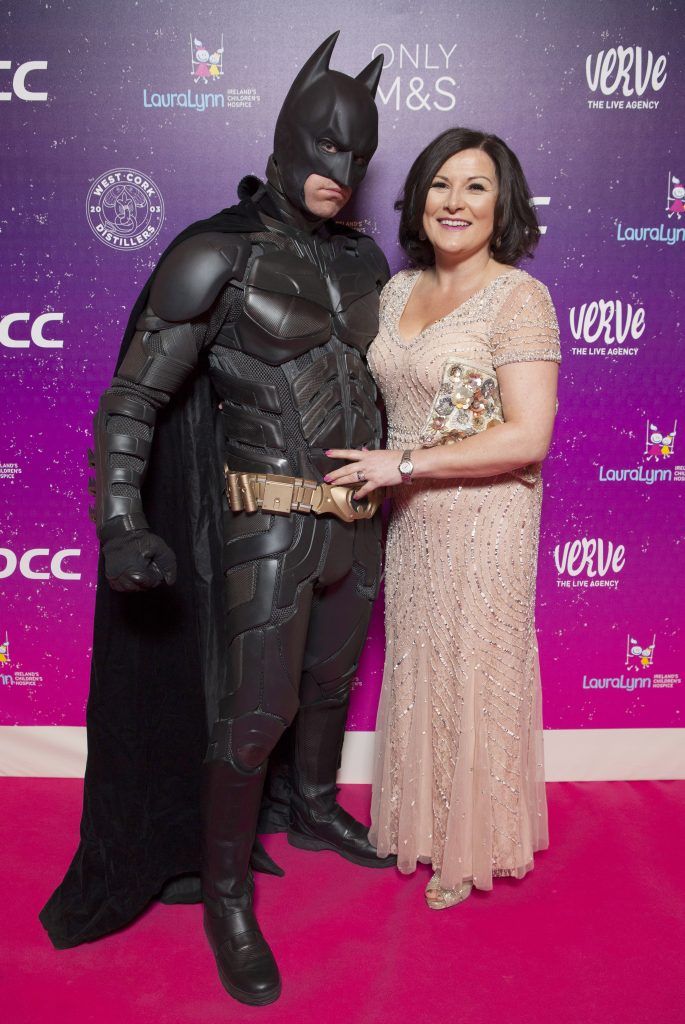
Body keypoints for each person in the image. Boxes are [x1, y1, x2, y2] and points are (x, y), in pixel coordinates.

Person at [40, 32, 395, 1006]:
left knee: (328, 687)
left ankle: (317, 808)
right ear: (285, 138)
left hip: (356, 524)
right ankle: (227, 898)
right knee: (250, 719)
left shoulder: (368, 266)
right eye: (325, 147)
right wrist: (120, 522)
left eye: (358, 154)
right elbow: (132, 401)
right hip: (264, 525)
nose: (341, 170)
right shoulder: (215, 253)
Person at [326, 127, 560, 909]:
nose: (453, 202)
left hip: (486, 515)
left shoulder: (519, 296)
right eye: (439, 185)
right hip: (412, 520)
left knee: (474, 666)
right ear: (418, 197)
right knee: (424, 662)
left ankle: (472, 847)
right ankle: (425, 825)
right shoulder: (397, 291)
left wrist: (406, 465)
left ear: (504, 205)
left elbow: (528, 435)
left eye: (475, 187)